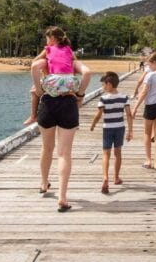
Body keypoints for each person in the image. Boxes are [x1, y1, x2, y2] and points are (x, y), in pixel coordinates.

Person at [34, 32, 92, 213]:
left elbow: (35, 66)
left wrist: (39, 89)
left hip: (48, 103)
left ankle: (44, 183)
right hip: (68, 104)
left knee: (47, 148)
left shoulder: (46, 62)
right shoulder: (73, 63)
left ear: (52, 41)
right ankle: (62, 197)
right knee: (64, 153)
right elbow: (88, 73)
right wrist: (81, 95)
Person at [23, 27, 79, 126]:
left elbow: (35, 61)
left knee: (33, 91)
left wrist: (46, 63)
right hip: (70, 83)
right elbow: (74, 62)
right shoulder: (68, 49)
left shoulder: (48, 49)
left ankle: (33, 116)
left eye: (47, 39)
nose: (46, 41)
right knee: (73, 97)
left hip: (54, 82)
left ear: (52, 38)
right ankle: (75, 120)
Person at [89, 71, 133, 194]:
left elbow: (98, 115)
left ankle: (105, 178)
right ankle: (116, 177)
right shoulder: (124, 97)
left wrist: (93, 125)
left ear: (108, 84)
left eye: (103, 85)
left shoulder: (103, 98)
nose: (102, 87)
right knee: (117, 153)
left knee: (106, 154)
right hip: (120, 127)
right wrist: (130, 131)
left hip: (107, 128)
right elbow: (129, 114)